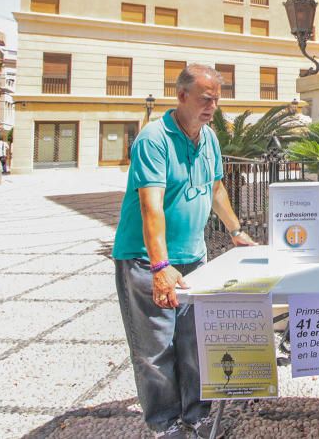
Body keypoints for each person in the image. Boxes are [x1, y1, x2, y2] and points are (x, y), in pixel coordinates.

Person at [113, 64, 256, 439]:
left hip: (194, 257)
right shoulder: (153, 139)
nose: (212, 107)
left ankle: (197, 414)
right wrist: (161, 266)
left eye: (217, 101)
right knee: (156, 349)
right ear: (181, 96)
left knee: (194, 343)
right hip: (148, 259)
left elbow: (216, 188)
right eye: (206, 100)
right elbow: (151, 207)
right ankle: (165, 423)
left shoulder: (208, 138)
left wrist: (236, 230)